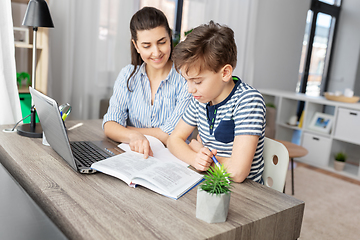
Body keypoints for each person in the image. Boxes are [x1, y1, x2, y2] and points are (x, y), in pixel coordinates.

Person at [168, 21, 266, 183]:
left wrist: (199, 150)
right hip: (211, 182)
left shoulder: (248, 100)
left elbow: (238, 171)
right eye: (187, 81)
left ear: (225, 73)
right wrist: (194, 157)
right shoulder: (201, 99)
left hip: (245, 193)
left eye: (197, 81)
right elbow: (173, 140)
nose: (190, 89)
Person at [103, 7, 191, 158]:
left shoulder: (186, 79)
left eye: (162, 42)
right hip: (134, 157)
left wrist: (125, 129)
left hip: (173, 160)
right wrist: (133, 136)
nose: (156, 52)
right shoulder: (127, 75)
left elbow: (170, 134)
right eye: (147, 46)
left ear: (170, 38)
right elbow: (110, 125)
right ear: (136, 46)